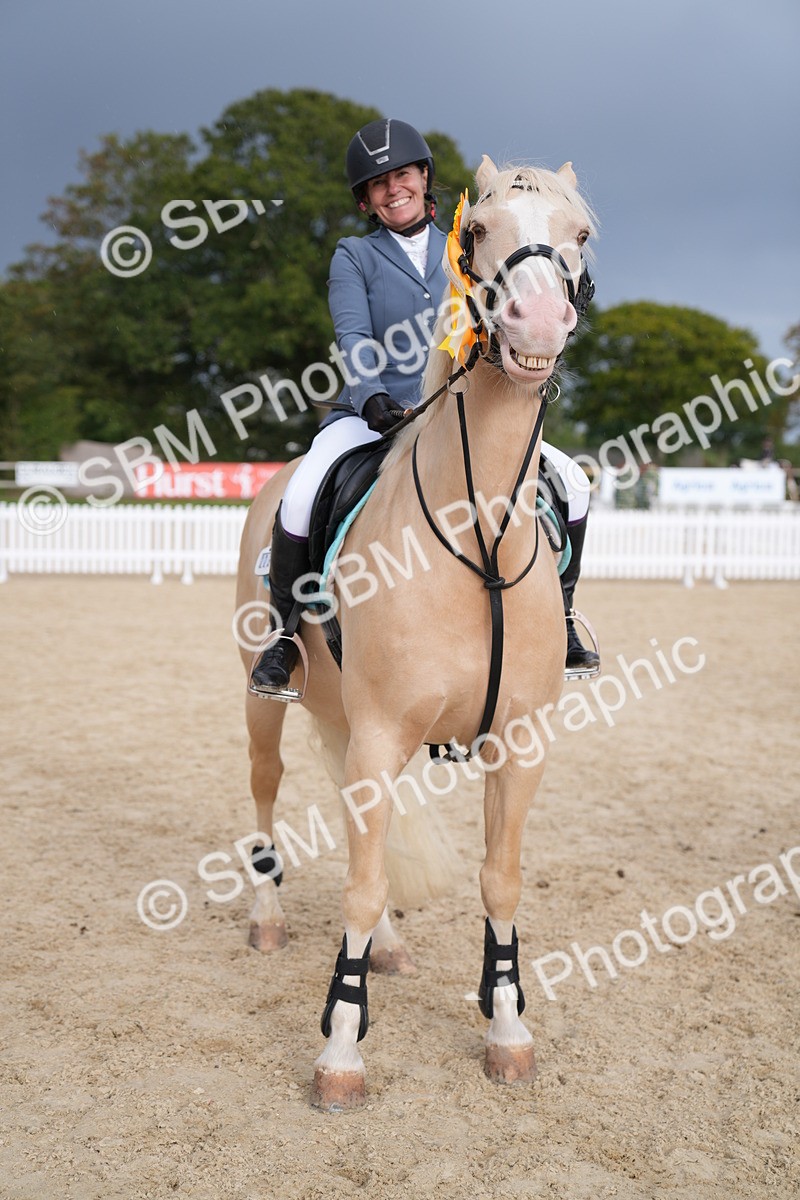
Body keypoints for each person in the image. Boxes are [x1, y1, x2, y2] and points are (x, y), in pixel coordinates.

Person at [249, 118, 599, 698]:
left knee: (574, 485)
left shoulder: (470, 245)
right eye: (379, 183)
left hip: (459, 414)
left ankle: (560, 618)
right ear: (366, 199)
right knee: (304, 491)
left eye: (404, 175)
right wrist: (370, 394)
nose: (395, 188)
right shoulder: (354, 256)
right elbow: (354, 334)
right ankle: (284, 635)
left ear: (425, 179)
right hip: (373, 415)